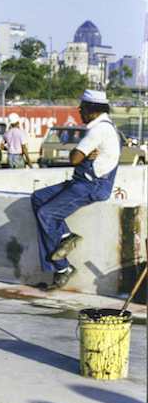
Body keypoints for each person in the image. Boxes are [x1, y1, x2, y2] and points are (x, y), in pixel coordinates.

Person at [30, 90, 121, 289]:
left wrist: (82, 154)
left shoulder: (99, 130)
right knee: (38, 198)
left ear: (92, 110)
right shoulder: (105, 126)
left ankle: (63, 268)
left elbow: (74, 159)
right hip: (82, 181)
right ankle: (64, 237)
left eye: (82, 108)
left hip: (91, 185)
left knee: (46, 214)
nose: (79, 111)